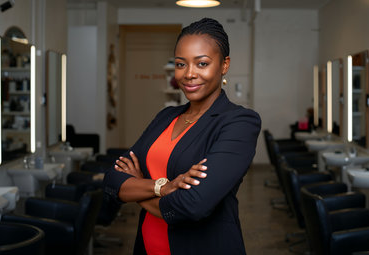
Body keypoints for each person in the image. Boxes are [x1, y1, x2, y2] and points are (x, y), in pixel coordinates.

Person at [103, 17, 261, 255]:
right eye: (180, 64)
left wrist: (138, 191)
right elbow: (113, 180)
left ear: (224, 65)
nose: (189, 74)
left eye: (202, 63)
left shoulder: (238, 122)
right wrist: (162, 187)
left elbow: (191, 206)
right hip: (147, 247)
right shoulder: (166, 116)